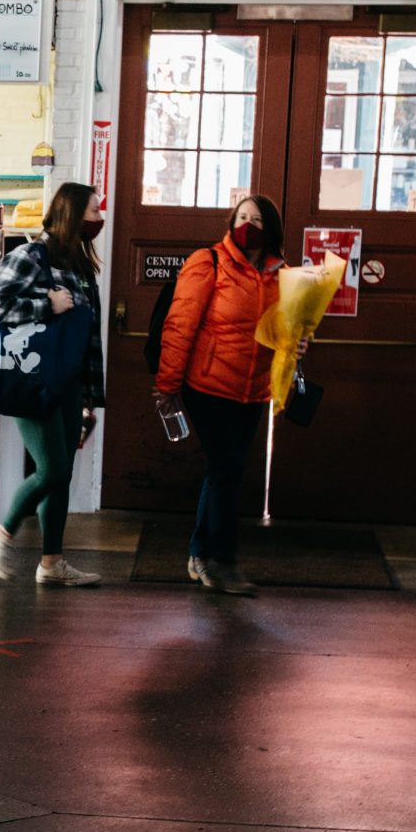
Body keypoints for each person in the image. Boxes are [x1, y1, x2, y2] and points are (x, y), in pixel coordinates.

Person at [154, 194, 297, 597]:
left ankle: (200, 554)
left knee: (223, 471)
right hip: (209, 386)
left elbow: (288, 329)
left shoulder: (281, 273)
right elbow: (180, 325)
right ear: (231, 222)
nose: (247, 224)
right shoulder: (208, 262)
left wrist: (299, 344)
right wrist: (168, 385)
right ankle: (222, 562)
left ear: (270, 229)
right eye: (241, 217)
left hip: (253, 392)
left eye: (256, 219)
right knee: (227, 469)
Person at [0, 181, 107, 587]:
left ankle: (52, 563)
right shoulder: (29, 256)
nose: (99, 218)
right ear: (73, 213)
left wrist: (90, 396)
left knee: (63, 472)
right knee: (52, 469)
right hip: (33, 378)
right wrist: (46, 305)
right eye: (93, 210)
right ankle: (2, 532)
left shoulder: (81, 266)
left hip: (69, 383)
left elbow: (89, 336)